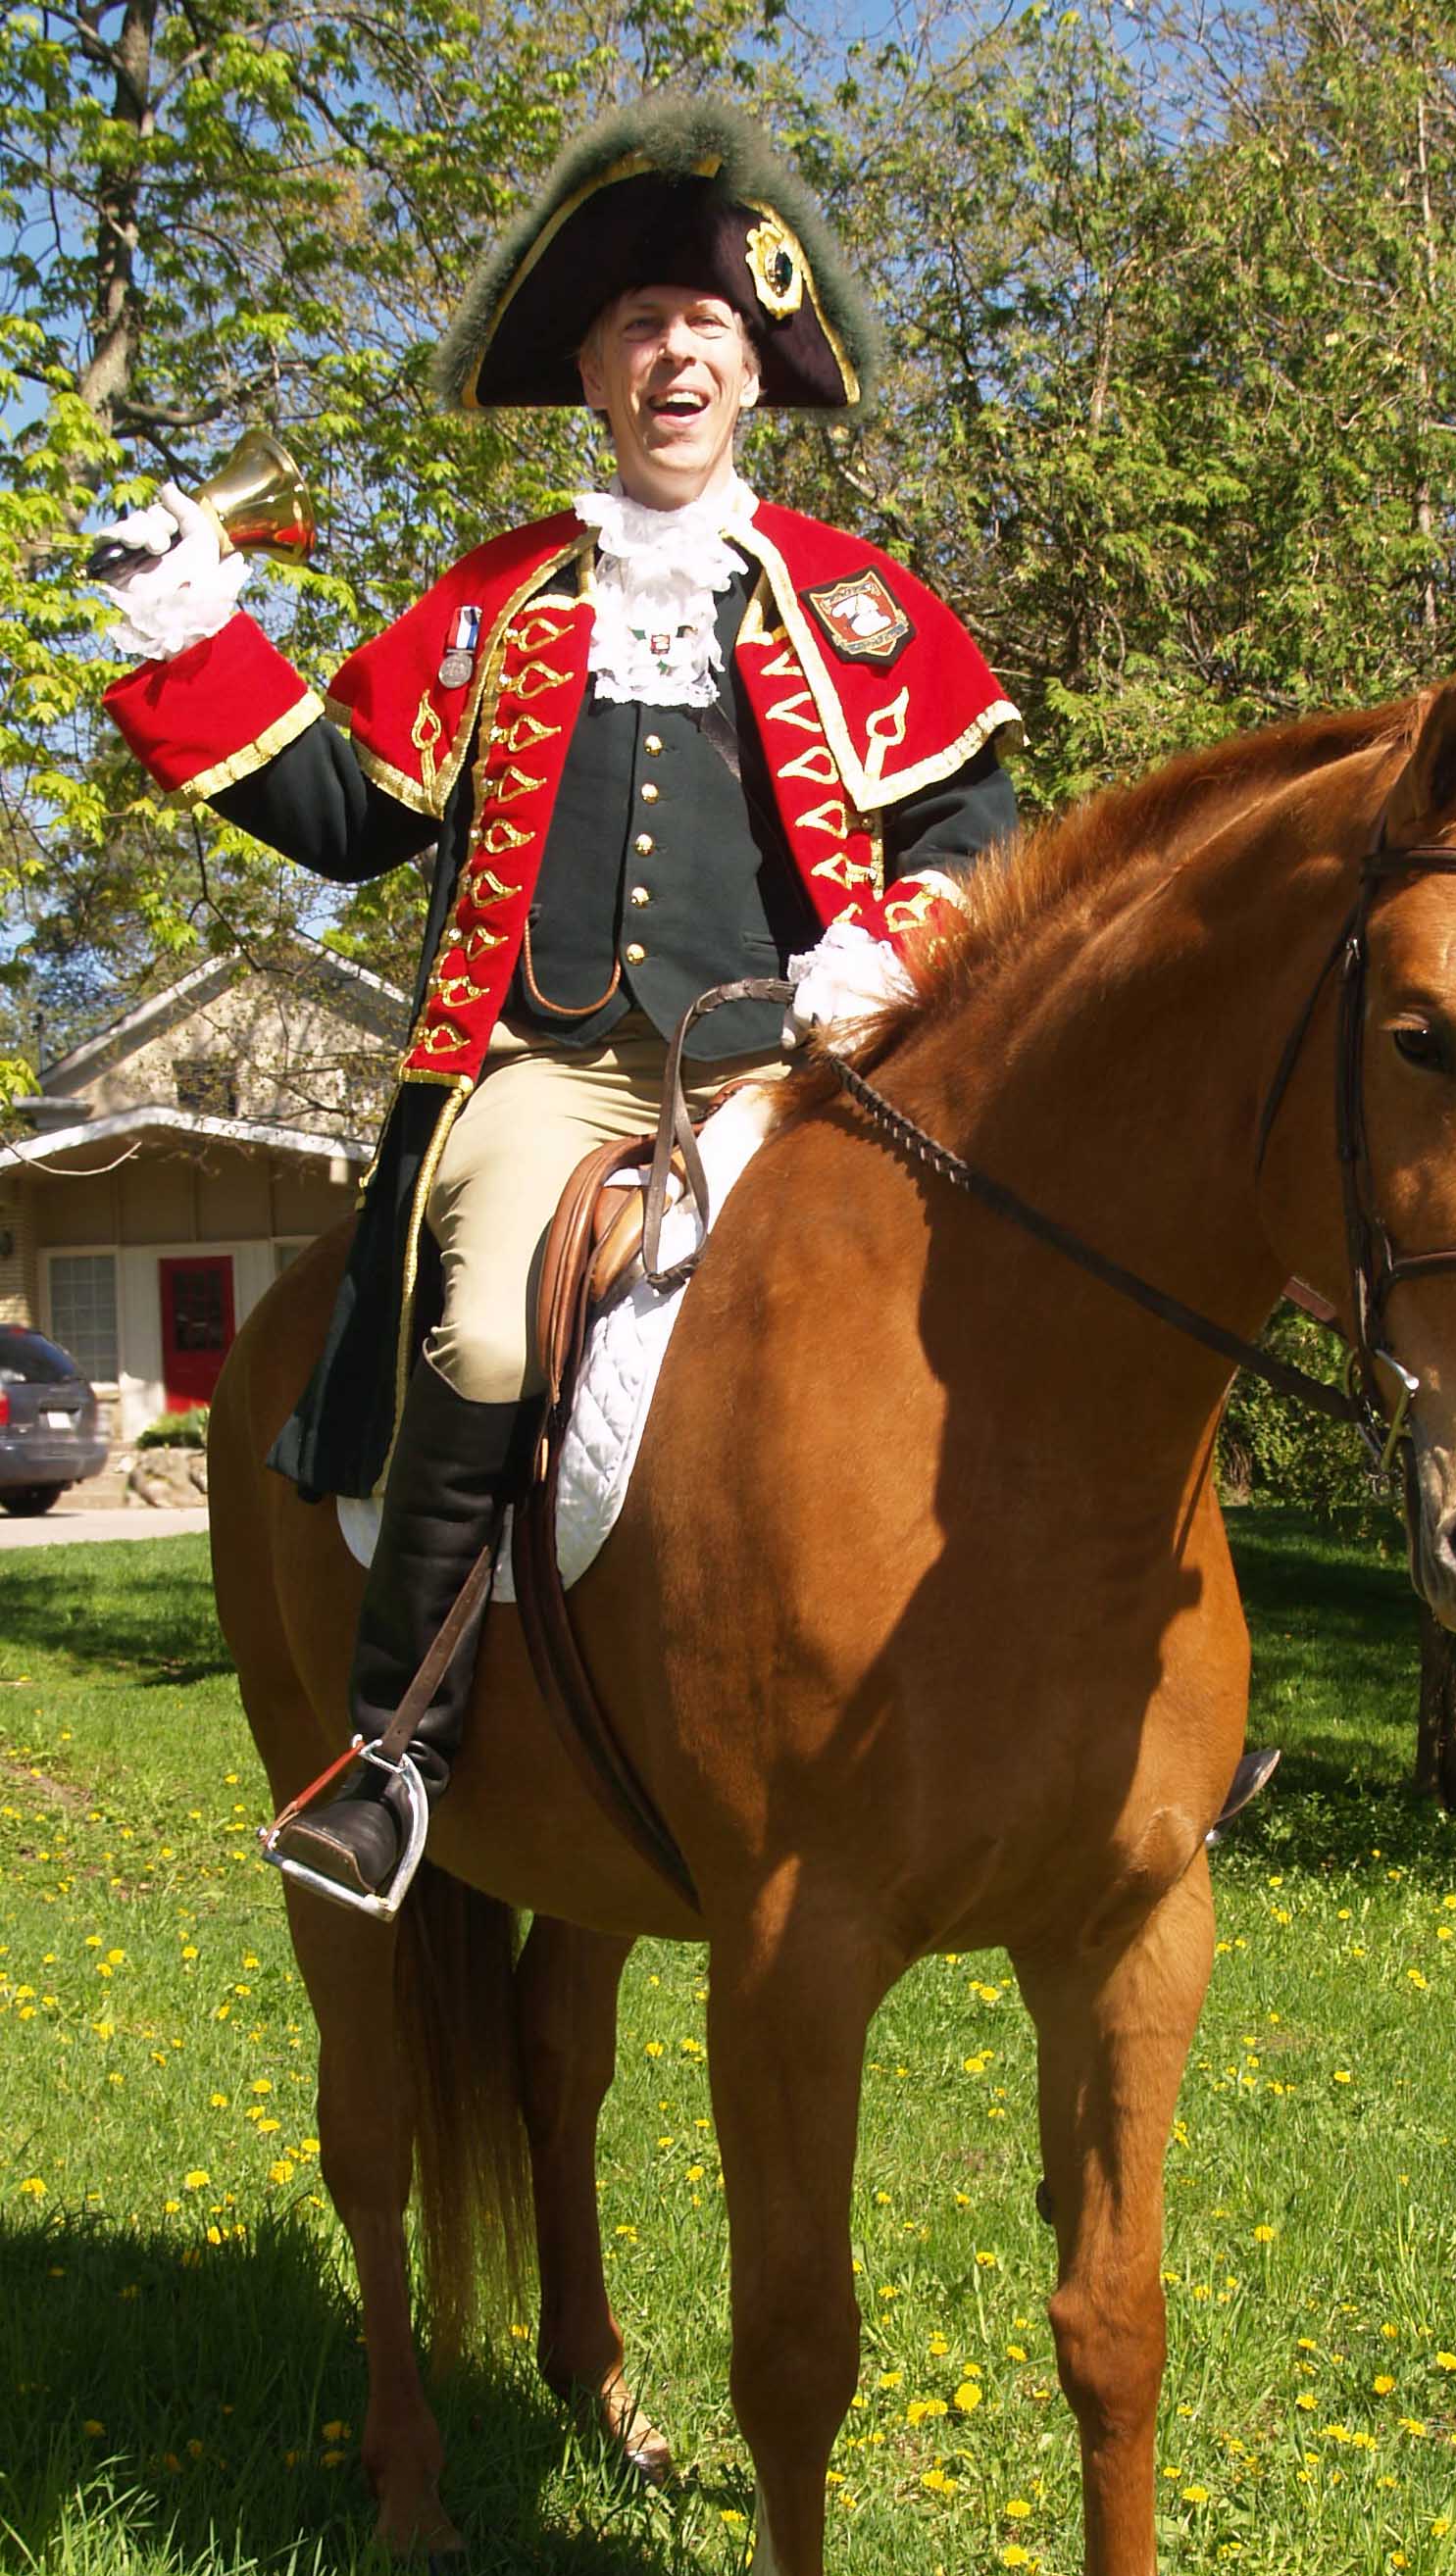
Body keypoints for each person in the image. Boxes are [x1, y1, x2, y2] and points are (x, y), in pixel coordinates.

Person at [97, 94, 1021, 1908]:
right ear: (591, 376)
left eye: (708, 326)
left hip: (794, 1073)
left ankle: (1089, 1707)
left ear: (753, 373)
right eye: (639, 327)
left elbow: (976, 835)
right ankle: (395, 1754)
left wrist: (889, 954)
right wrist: (197, 634)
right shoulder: (492, 600)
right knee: (492, 1343)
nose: (675, 355)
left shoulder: (859, 607)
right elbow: (347, 814)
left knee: (1011, 1278)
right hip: (547, 1069)